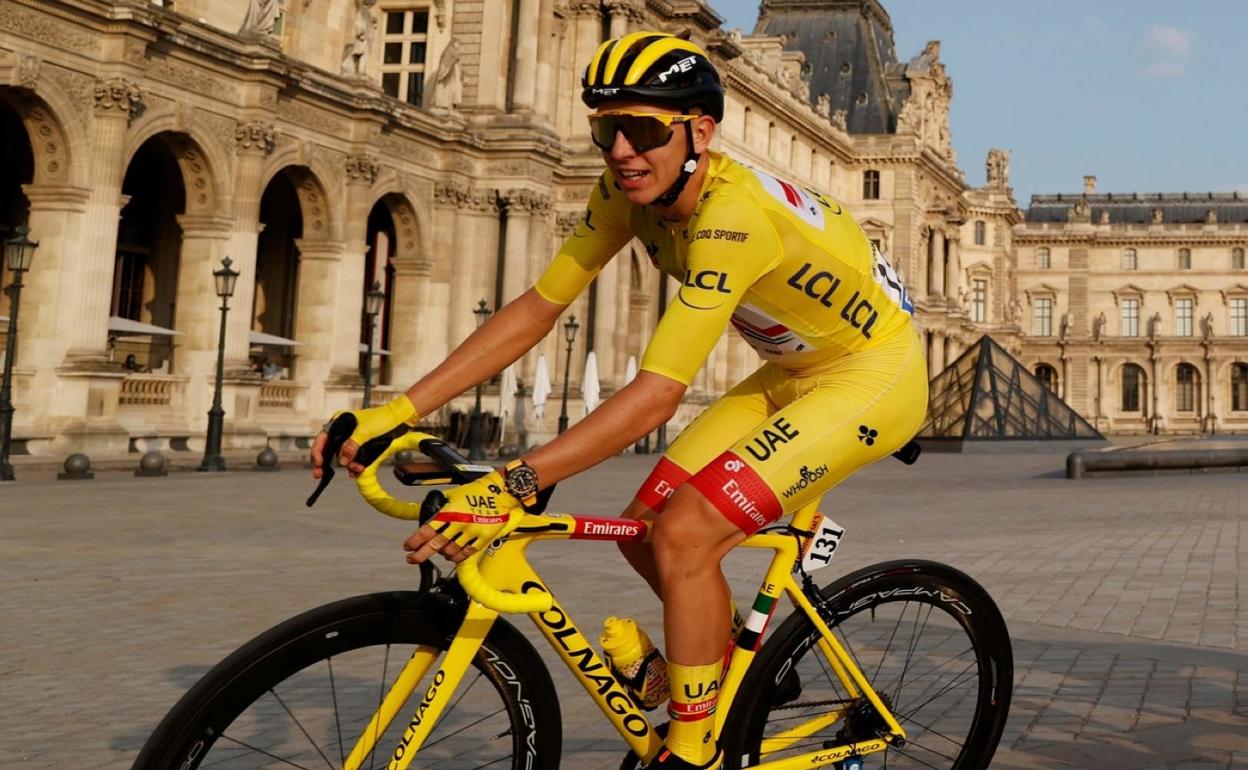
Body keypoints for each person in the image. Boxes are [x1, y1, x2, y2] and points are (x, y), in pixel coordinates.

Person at [311, 31, 929, 770]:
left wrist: (514, 482)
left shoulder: (733, 219)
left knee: (685, 534)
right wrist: (392, 413)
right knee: (644, 528)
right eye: (606, 128)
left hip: (873, 375)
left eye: (643, 129)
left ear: (700, 131)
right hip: (791, 371)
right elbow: (538, 307)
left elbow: (655, 397)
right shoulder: (625, 193)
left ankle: (694, 753)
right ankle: (727, 659)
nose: (621, 151)